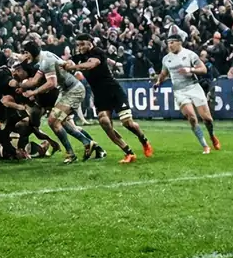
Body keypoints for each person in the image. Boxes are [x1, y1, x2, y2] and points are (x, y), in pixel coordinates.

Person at [66, 35, 154, 163]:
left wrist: (73, 68)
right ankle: (128, 153)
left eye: (82, 44)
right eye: (78, 45)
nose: (80, 47)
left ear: (90, 43)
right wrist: (65, 64)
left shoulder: (97, 52)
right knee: (104, 122)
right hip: (100, 95)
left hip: (113, 91)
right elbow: (68, 62)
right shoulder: (78, 56)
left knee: (127, 123)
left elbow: (91, 65)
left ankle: (143, 140)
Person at [154, 36, 220, 154]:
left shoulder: (190, 54)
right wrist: (159, 82)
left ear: (179, 43)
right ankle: (205, 145)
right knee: (192, 117)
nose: (170, 45)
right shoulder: (166, 59)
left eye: (172, 43)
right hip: (179, 91)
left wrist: (190, 70)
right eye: (168, 43)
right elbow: (164, 73)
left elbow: (203, 69)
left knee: (207, 119)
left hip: (194, 87)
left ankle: (212, 135)